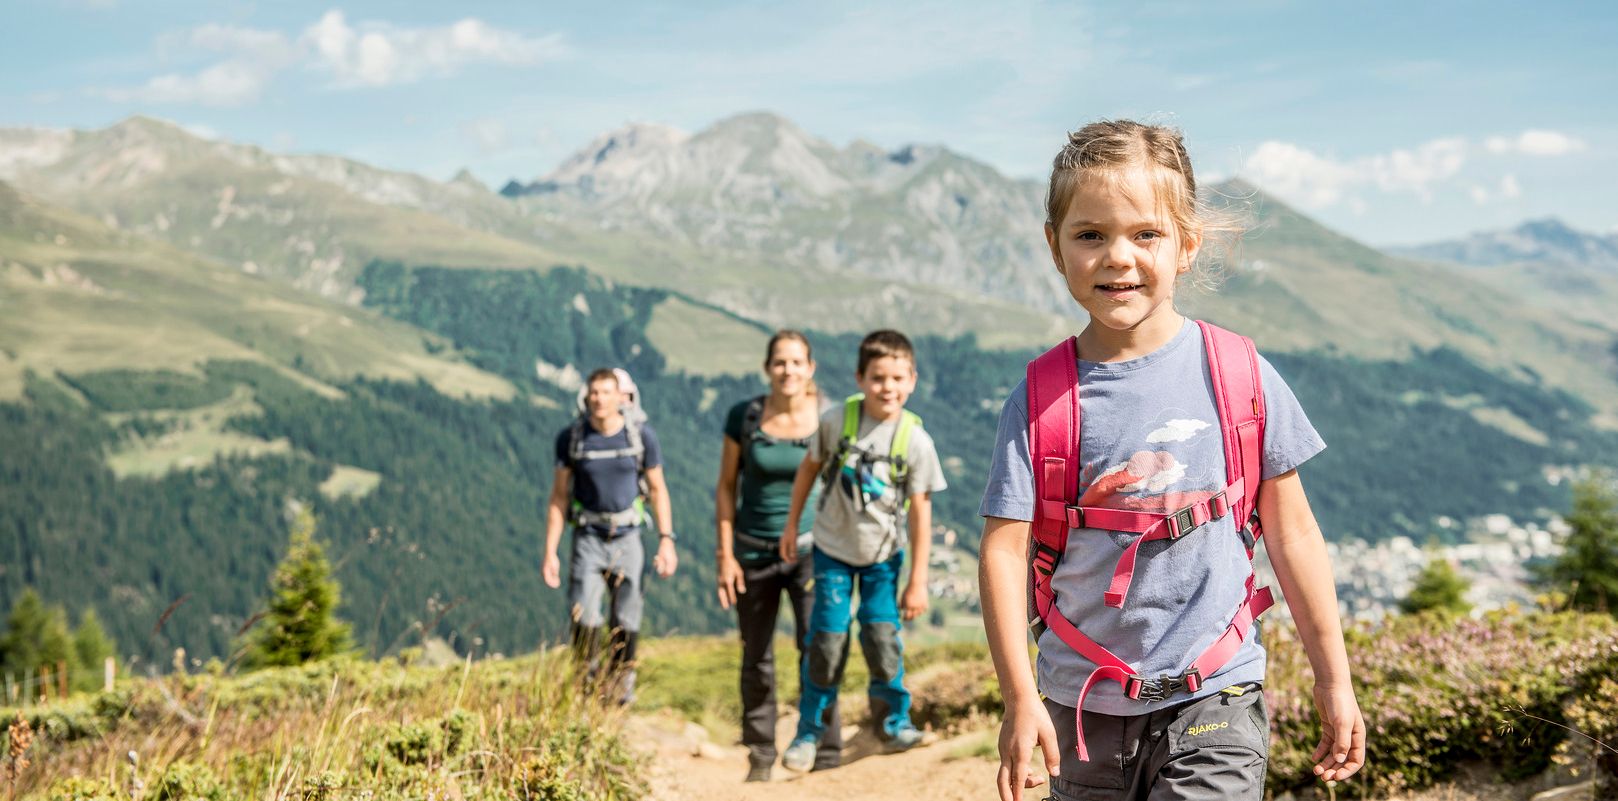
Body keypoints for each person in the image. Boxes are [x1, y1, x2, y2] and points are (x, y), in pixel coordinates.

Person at [977, 120, 1366, 801]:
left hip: (1217, 696)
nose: (1117, 257)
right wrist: (1018, 696)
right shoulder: (1040, 398)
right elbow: (1004, 553)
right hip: (1082, 706)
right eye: (1090, 234)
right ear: (1054, 245)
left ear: (1187, 245)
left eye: (1145, 234)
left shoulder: (1240, 373)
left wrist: (1334, 677)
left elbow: (1293, 531)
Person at [777, 329, 948, 773]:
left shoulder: (915, 441)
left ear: (912, 380)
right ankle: (808, 733)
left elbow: (921, 514)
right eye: (877, 377)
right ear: (859, 378)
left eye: (896, 377)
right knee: (828, 641)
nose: (886, 387)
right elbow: (808, 470)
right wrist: (793, 523)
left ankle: (893, 723)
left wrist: (917, 581)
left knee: (880, 636)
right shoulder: (837, 421)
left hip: (882, 559)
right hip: (831, 550)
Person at [715, 330, 843, 782]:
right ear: (768, 368)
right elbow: (727, 487)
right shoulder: (745, 417)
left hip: (814, 553)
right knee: (757, 655)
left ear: (810, 368)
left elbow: (844, 488)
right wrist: (724, 555)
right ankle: (760, 754)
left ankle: (826, 749)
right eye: (779, 363)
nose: (787, 371)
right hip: (752, 552)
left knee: (819, 648)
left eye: (796, 363)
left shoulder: (830, 418)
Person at [542, 367, 678, 705]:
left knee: (626, 619)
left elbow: (658, 489)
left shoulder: (641, 437)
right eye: (594, 393)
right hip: (587, 536)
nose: (599, 399)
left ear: (622, 396)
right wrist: (550, 551)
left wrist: (666, 539)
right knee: (585, 616)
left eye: (606, 392)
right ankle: (586, 689)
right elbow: (559, 496)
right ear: (586, 397)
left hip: (628, 537)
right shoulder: (572, 439)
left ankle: (620, 689)